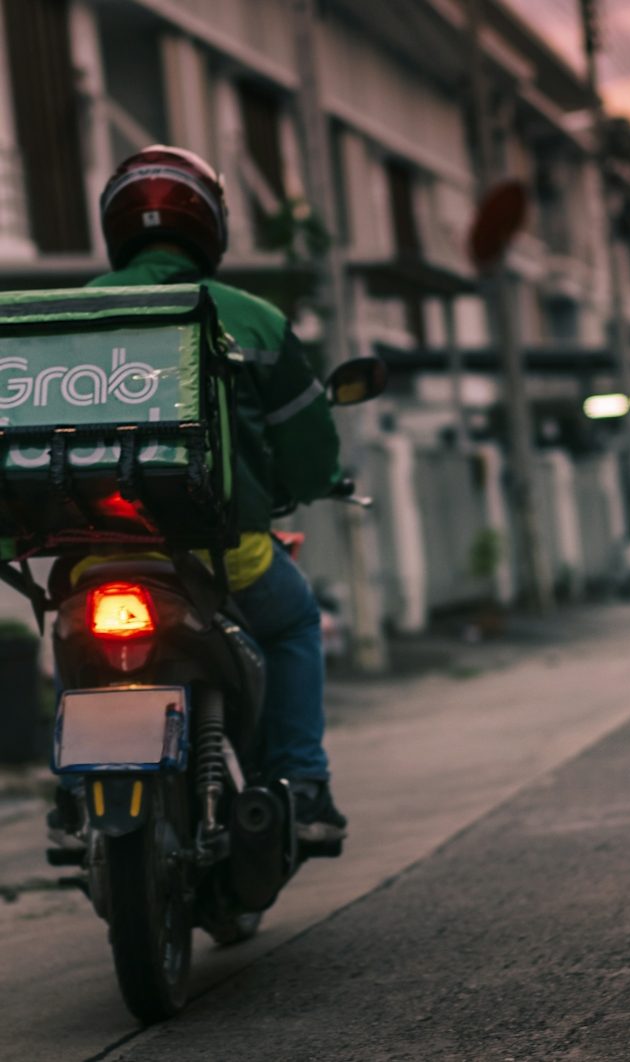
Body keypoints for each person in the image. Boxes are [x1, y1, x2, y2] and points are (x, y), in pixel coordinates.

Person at [54, 145, 348, 843]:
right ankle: (303, 788)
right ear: (210, 227)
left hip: (98, 554)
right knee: (296, 621)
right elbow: (308, 454)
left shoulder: (67, 317)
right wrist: (311, 485)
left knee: (70, 640)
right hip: (227, 556)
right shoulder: (250, 318)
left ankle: (70, 801)